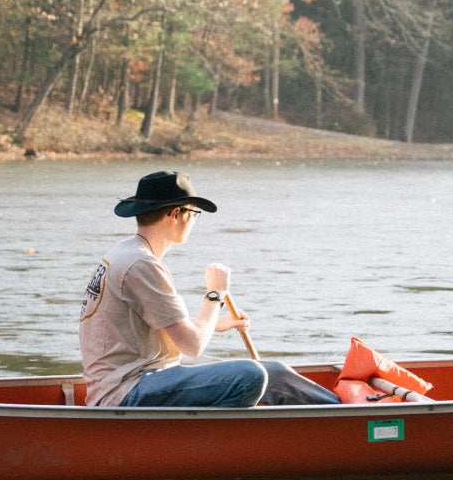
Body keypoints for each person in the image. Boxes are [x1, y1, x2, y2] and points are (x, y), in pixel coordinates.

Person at [79, 170, 340, 408]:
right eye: (194, 214)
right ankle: (345, 417)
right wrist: (215, 295)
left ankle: (341, 410)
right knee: (253, 375)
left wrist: (215, 323)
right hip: (127, 392)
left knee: (274, 372)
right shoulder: (142, 263)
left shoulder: (125, 253)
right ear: (175, 214)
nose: (194, 221)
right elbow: (193, 345)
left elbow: (151, 329)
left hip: (128, 385)